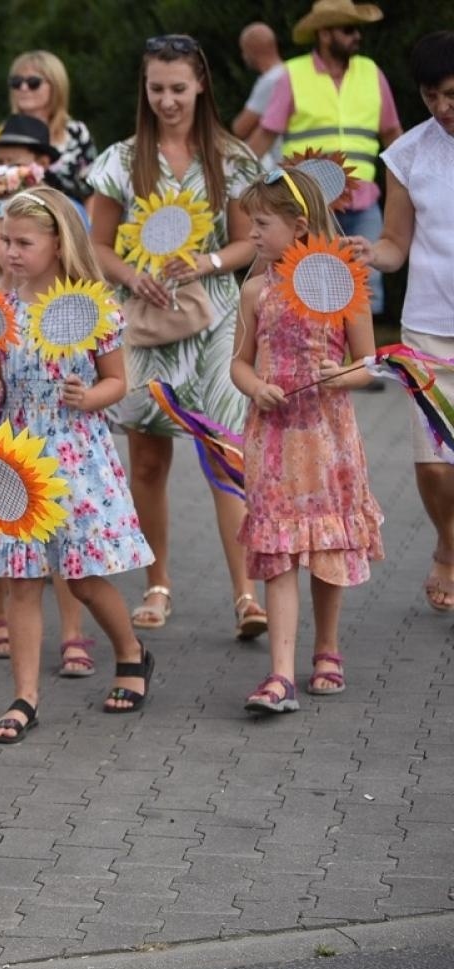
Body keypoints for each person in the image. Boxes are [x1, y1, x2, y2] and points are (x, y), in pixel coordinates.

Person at [89, 35, 267, 641]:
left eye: (177, 88)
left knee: (224, 452)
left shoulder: (233, 158)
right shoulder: (120, 159)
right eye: (156, 88)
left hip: (216, 321)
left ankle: (246, 593)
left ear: (200, 86)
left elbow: (250, 242)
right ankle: (157, 584)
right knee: (146, 457)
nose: (166, 100)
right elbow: (95, 245)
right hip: (142, 321)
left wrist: (208, 263)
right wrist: (131, 274)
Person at [0, 188, 157, 744]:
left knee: (82, 575)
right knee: (22, 579)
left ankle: (130, 651)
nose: (12, 252)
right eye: (5, 240)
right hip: (21, 453)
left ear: (58, 244)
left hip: (75, 451)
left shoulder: (93, 308)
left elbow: (116, 381)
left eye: (25, 242)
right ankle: (24, 696)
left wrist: (91, 397)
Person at [230, 167, 383, 716]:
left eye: (262, 223)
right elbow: (238, 365)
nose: (251, 233)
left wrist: (339, 375)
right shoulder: (254, 290)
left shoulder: (343, 284)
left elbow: (368, 364)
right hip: (272, 441)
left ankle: (327, 647)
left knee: (324, 549)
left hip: (325, 438)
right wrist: (256, 387)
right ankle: (279, 675)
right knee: (277, 553)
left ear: (297, 227)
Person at [359, 31, 454, 613]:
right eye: (430, 97)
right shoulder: (407, 155)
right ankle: (448, 542)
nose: (443, 108)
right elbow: (396, 243)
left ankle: (448, 556)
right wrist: (369, 253)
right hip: (425, 327)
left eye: (451, 94)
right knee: (434, 465)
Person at [246, 0, 402, 317]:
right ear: (325, 34)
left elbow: (393, 135)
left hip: (363, 205)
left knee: (364, 294)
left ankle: (360, 365)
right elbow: (263, 138)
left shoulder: (372, 73)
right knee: (302, 290)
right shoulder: (293, 75)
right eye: (348, 29)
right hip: (305, 208)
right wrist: (246, 188)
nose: (357, 36)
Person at [4, 51, 97, 202]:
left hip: (70, 218)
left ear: (56, 86)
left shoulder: (76, 133)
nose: (23, 87)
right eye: (16, 82)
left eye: (33, 82)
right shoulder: (1, 136)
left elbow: (93, 190)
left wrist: (87, 224)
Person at [233, 22, 288, 169]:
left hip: (282, 165)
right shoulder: (290, 73)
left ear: (252, 50)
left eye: (243, 51)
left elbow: (241, 128)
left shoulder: (271, 81)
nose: (243, 56)